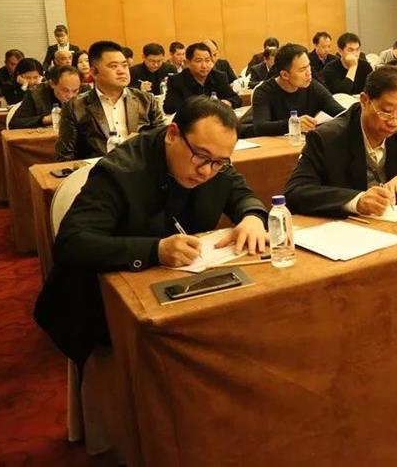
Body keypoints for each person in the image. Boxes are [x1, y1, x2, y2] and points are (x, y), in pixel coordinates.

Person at [35, 96, 269, 365]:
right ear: (172, 134)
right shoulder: (120, 170)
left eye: (219, 163)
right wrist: (155, 250)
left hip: (180, 293)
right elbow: (72, 243)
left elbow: (240, 193)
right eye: (201, 157)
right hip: (102, 307)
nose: (206, 171)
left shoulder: (214, 160)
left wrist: (252, 217)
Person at [285, 66, 397, 218]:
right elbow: (295, 192)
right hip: (352, 231)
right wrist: (357, 201)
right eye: (386, 111)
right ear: (364, 101)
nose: (394, 122)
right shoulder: (328, 137)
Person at [56, 41, 164, 160]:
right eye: (113, 66)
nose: (121, 71)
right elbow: (65, 155)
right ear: (94, 72)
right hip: (96, 169)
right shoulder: (75, 106)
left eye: (124, 65)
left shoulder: (146, 100)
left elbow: (162, 143)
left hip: (140, 166)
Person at [251, 44, 344, 137]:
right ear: (285, 75)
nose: (309, 72)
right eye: (302, 69)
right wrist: (294, 124)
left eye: (308, 66)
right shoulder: (264, 91)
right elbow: (260, 127)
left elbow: (341, 114)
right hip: (272, 144)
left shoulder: (313, 86)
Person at [163, 42, 241, 113]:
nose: (204, 66)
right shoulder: (176, 80)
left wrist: (228, 103)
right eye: (198, 61)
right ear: (188, 62)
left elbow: (236, 99)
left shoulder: (219, 77)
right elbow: (169, 108)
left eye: (207, 60)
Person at [10, 66, 81, 129]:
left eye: (75, 91)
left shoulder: (84, 92)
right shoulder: (35, 94)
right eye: (65, 90)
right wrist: (45, 119)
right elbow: (14, 123)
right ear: (52, 84)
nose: (70, 96)